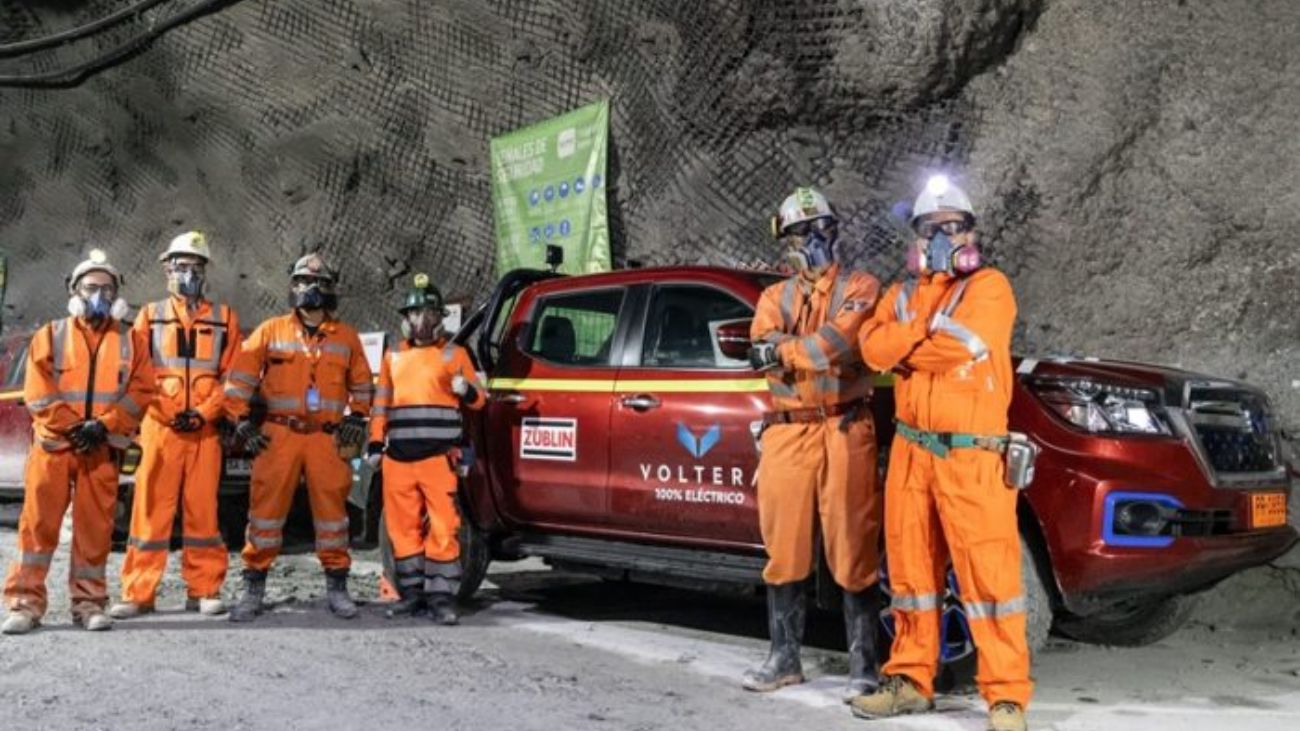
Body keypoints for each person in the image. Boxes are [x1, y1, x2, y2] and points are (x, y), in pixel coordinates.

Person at [850, 175, 1031, 731]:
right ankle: (909, 679)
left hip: (972, 457)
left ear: (971, 233)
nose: (943, 236)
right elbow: (871, 348)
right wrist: (917, 337)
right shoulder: (900, 293)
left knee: (990, 579)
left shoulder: (990, 288)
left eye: (954, 227)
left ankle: (1005, 697)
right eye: (932, 228)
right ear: (917, 237)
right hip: (911, 452)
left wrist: (909, 341)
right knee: (910, 575)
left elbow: (961, 344)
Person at [743, 187, 885, 699]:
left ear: (835, 230)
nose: (811, 239)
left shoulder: (863, 286)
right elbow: (761, 352)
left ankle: (864, 666)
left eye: (818, 228)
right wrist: (801, 351)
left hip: (845, 429)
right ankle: (784, 659)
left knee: (853, 547)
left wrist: (788, 350)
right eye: (800, 233)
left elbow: (839, 343)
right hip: (787, 430)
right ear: (786, 241)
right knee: (784, 549)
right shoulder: (771, 298)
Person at [1, 250, 154, 634]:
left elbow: (141, 391)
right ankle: (24, 603)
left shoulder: (131, 340)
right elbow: (38, 393)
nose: (99, 295)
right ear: (75, 292)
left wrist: (103, 426)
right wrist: (75, 428)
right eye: (91, 288)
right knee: (37, 529)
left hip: (101, 450)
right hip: (54, 448)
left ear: (117, 295)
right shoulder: (50, 335)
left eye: (107, 288)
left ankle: (89, 604)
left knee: (94, 531)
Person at [222, 252, 373, 622]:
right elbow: (238, 381)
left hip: (328, 437)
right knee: (265, 514)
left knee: (333, 515)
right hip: (279, 434)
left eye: (318, 284)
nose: (309, 290)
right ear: (292, 288)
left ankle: (337, 587)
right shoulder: (270, 331)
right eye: (302, 283)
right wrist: (240, 422)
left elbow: (364, 386)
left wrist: (357, 416)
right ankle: (253, 587)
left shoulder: (347, 337)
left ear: (330, 291)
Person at [110, 232, 241, 620]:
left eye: (195, 267)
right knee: (149, 511)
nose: (188, 274)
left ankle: (204, 590)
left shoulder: (224, 319)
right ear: (168, 270)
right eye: (181, 266)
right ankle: (138, 593)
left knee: (203, 513)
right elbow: (139, 373)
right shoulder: (149, 316)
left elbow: (234, 379)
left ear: (205, 272)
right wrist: (168, 411)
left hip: (203, 431)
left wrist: (204, 412)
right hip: (159, 429)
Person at [367, 273, 486, 625]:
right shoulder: (392, 357)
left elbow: (481, 402)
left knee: (444, 528)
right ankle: (411, 595)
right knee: (402, 532)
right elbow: (380, 405)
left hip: (439, 458)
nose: (422, 322)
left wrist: (467, 390)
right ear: (405, 319)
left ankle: (441, 597)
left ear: (440, 318)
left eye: (429, 315)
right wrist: (375, 442)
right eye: (415, 315)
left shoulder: (455, 354)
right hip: (398, 459)